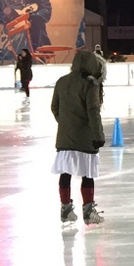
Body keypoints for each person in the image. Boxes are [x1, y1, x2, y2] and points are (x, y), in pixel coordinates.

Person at [51, 49, 106, 226]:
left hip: (65, 136)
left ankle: (65, 209)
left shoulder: (61, 82)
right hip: (85, 137)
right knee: (87, 174)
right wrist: (98, 135)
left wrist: (65, 123)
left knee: (65, 173)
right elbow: (93, 111)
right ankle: (88, 211)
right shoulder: (90, 84)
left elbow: (54, 107)